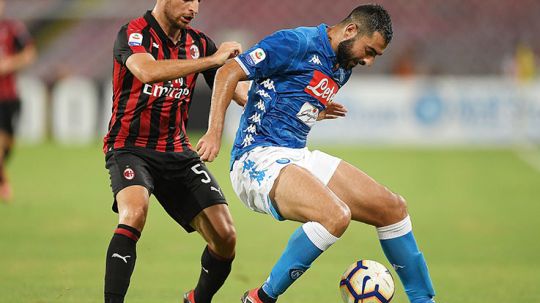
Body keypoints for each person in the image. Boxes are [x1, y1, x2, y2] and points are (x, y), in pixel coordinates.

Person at [197, 4, 436, 303]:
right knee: (334, 216)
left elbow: (286, 92)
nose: (369, 61)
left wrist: (313, 110)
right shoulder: (295, 43)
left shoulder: (342, 65)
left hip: (297, 155)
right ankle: (261, 298)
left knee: (392, 208)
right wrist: (213, 132)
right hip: (256, 158)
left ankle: (425, 301)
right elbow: (229, 71)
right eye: (369, 51)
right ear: (350, 30)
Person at [102, 0, 248, 302]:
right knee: (134, 212)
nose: (193, 7)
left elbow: (239, 93)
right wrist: (212, 60)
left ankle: (196, 299)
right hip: (130, 148)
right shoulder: (134, 33)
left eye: (198, 1)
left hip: (177, 152)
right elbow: (148, 72)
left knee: (226, 237)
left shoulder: (199, 43)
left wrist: (299, 107)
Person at [0, 0, 36, 201]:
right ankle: (4, 184)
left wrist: (9, 63)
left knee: (9, 143)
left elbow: (30, 53)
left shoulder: (13, 28)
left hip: (10, 96)